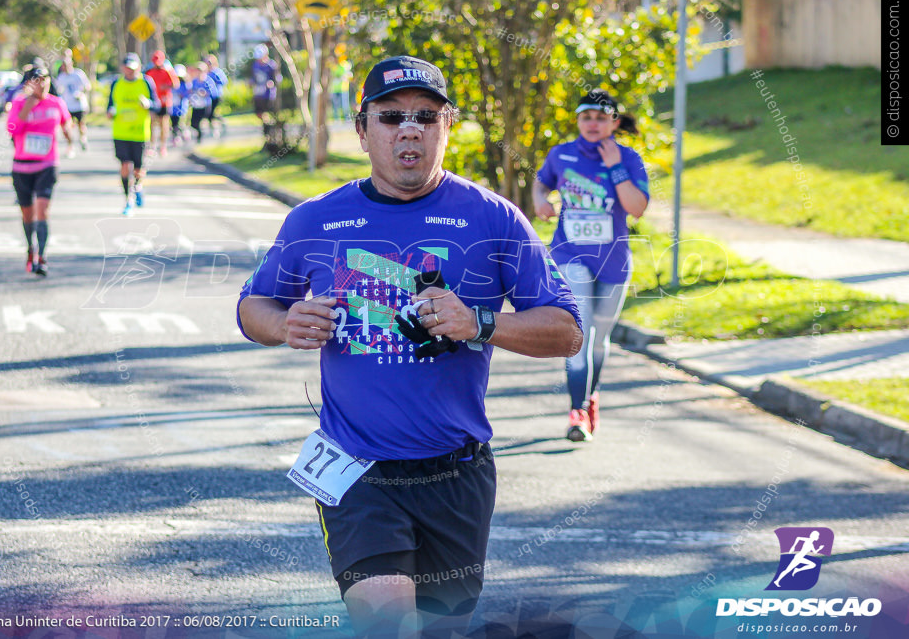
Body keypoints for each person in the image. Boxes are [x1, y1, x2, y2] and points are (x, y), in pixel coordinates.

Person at [237, 56, 582, 638]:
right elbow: (253, 306)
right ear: (363, 128)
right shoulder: (316, 221)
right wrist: (285, 324)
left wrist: (480, 322)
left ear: (446, 125)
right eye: (391, 116)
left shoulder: (493, 219)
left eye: (426, 116)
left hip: (457, 474)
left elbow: (567, 330)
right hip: (356, 470)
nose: (409, 129)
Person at [532, 88, 649, 443]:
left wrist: (614, 167)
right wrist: (541, 200)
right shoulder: (561, 155)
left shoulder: (628, 158)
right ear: (578, 120)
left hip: (613, 262)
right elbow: (541, 183)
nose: (593, 123)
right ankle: (577, 411)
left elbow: (637, 207)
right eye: (587, 117)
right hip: (570, 256)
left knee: (600, 339)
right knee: (579, 336)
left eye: (601, 117)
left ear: (614, 122)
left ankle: (590, 396)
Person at [5, 65, 73, 277]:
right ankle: (30, 248)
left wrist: (70, 140)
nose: (42, 84)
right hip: (22, 167)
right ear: (29, 84)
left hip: (47, 165)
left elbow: (66, 122)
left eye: (45, 79)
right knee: (28, 215)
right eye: (37, 80)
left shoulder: (56, 103)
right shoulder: (18, 104)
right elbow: (12, 129)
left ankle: (42, 257)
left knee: (42, 211)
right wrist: (29, 106)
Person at [107, 52, 157, 215]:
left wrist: (148, 104)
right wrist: (110, 112)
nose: (130, 71)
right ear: (123, 68)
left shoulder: (146, 82)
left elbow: (157, 105)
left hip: (140, 133)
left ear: (139, 68)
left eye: (133, 69)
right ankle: (128, 199)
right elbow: (110, 105)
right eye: (127, 68)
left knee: (138, 169)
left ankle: (138, 186)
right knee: (124, 166)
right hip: (120, 132)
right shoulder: (116, 83)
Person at [52, 50, 92, 155]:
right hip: (68, 106)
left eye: (67, 64)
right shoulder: (61, 77)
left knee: (81, 124)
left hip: (79, 105)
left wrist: (81, 93)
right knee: (67, 127)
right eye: (63, 65)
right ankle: (70, 146)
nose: (65, 67)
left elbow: (87, 86)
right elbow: (58, 91)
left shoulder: (78, 74)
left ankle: (83, 139)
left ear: (71, 64)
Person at [145, 50, 179, 157]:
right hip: (153, 102)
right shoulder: (149, 72)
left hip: (164, 102)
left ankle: (163, 146)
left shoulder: (167, 71)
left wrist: (165, 87)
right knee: (151, 124)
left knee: (163, 124)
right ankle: (152, 146)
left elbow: (175, 84)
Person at [251, 44, 280, 141]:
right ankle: (267, 129)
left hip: (268, 94)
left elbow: (277, 79)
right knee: (259, 114)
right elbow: (254, 78)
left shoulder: (271, 65)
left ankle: (268, 133)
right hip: (258, 93)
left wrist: (271, 83)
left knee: (266, 113)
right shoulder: (255, 65)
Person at [184, 63, 213, 143]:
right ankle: (200, 133)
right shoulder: (194, 81)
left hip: (205, 105)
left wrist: (204, 93)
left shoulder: (207, 81)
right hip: (196, 105)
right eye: (198, 70)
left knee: (203, 120)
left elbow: (211, 93)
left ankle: (204, 134)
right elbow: (190, 91)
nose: (199, 72)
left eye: (201, 70)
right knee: (193, 123)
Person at [204, 53, 228, 137]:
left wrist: (214, 81)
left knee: (211, 114)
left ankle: (216, 129)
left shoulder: (216, 72)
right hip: (207, 97)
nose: (208, 64)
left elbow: (224, 81)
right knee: (208, 114)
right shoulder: (205, 73)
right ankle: (218, 124)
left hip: (216, 95)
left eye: (209, 62)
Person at [169, 63, 190, 146]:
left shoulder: (185, 84)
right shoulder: (171, 84)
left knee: (180, 123)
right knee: (174, 124)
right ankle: (176, 137)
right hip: (172, 109)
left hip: (181, 109)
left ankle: (182, 134)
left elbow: (187, 95)